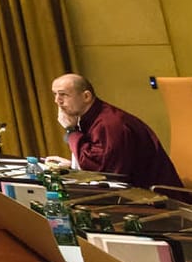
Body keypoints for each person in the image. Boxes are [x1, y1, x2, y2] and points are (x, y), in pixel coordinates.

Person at [48, 74, 182, 188]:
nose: (57, 101)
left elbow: (105, 174)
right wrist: (73, 166)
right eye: (55, 95)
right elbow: (104, 161)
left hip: (155, 198)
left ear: (86, 96)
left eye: (63, 95)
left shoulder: (110, 123)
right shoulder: (93, 117)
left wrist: (71, 131)